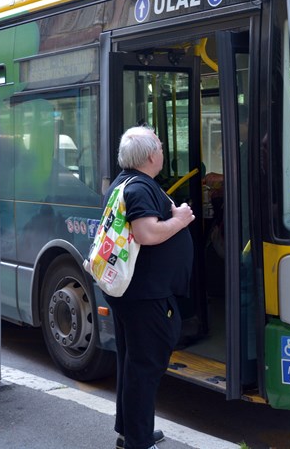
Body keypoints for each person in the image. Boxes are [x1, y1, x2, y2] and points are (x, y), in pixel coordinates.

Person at [103, 125, 195, 449]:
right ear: (150, 156)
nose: (162, 150)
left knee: (132, 362)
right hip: (146, 295)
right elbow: (146, 233)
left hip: (132, 292)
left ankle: (131, 430)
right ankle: (138, 442)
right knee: (144, 368)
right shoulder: (140, 188)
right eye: (159, 145)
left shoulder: (126, 183)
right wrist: (181, 220)